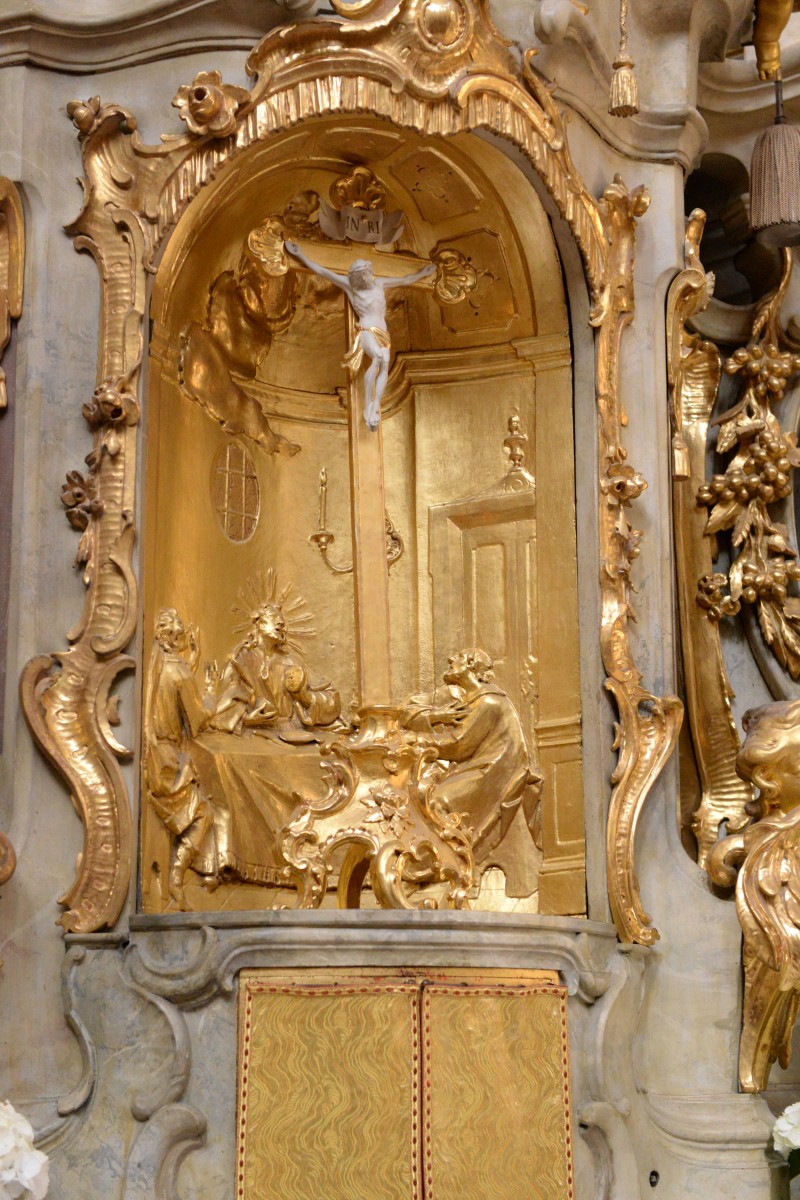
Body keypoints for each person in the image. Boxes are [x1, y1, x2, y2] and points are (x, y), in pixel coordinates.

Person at [405, 648, 542, 894]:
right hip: (480, 767)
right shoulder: (465, 698)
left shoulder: (488, 701)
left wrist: (419, 742)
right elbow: (407, 710)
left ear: (470, 667)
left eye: (457, 658)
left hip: (496, 773)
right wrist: (435, 717)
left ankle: (452, 868)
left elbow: (460, 746)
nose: (449, 659)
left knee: (437, 800)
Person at [284, 239, 435, 430]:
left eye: (365, 272)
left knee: (385, 362)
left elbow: (404, 280)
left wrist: (422, 273)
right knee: (379, 358)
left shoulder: (379, 283)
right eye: (360, 274)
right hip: (366, 329)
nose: (364, 276)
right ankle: (367, 401)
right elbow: (322, 271)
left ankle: (375, 403)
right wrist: (299, 255)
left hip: (382, 330)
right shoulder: (349, 286)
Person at [144, 608, 218, 909]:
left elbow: (173, 684)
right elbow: (198, 718)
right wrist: (212, 689)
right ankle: (177, 876)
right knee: (205, 813)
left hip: (156, 754)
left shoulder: (157, 663)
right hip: (169, 765)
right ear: (178, 637)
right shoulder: (179, 671)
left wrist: (194, 659)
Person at [213, 602, 340, 738]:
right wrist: (246, 719)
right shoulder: (241, 659)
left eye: (282, 621)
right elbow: (223, 704)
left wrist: (305, 697)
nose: (280, 623)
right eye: (274, 617)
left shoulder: (291, 661)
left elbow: (331, 698)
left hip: (289, 732)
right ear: (258, 624)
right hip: (251, 735)